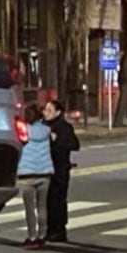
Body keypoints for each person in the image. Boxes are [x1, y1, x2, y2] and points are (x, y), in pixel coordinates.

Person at [16, 103, 54, 249]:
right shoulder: (46, 130)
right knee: (42, 206)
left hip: (26, 173)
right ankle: (42, 235)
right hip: (44, 172)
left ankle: (32, 236)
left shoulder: (23, 130)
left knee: (29, 208)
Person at [42, 100, 80, 243]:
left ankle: (59, 230)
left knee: (58, 200)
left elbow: (75, 145)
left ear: (58, 112)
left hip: (60, 169)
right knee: (47, 200)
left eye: (49, 110)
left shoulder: (64, 127)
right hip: (45, 168)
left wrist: (57, 140)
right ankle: (49, 229)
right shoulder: (43, 127)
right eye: (45, 110)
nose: (46, 113)